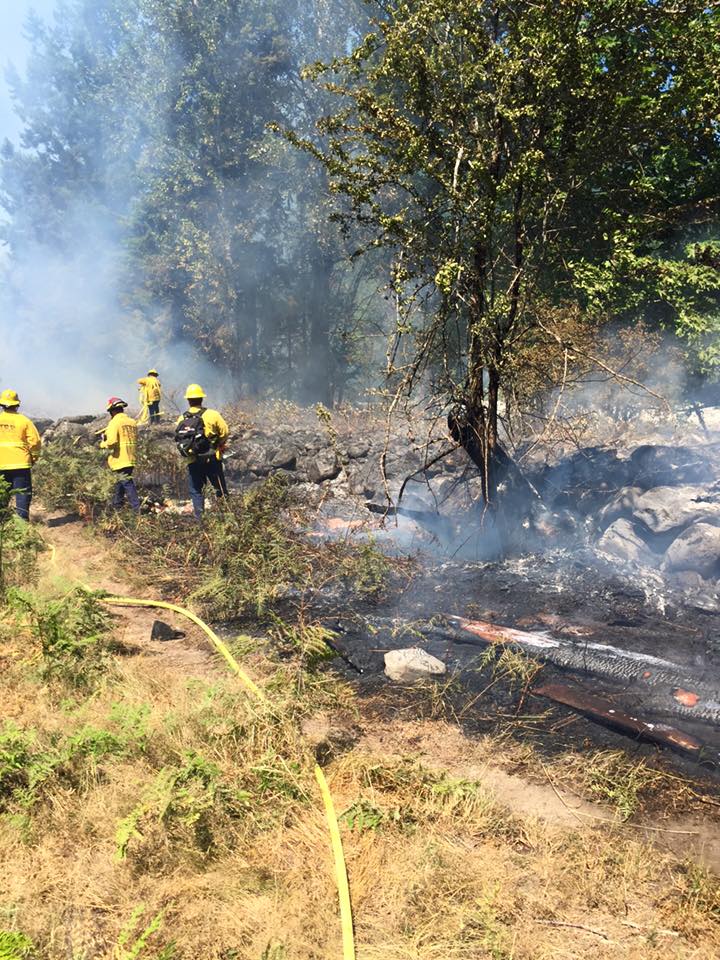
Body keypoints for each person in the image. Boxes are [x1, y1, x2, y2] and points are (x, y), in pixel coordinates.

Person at [174, 384, 229, 519]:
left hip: (193, 459)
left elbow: (180, 438)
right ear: (201, 399)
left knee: (197, 491)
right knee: (220, 489)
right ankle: (226, 517)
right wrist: (220, 443)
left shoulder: (182, 418)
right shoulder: (212, 414)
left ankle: (200, 520)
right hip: (212, 458)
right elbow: (225, 432)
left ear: (188, 400)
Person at [0, 389, 41, 521]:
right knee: (22, 495)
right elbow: (35, 442)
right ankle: (22, 526)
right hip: (21, 464)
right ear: (17, 404)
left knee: (1, 494)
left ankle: (2, 523)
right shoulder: (24, 421)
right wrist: (33, 457)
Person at [100, 397, 140, 512]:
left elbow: (111, 442)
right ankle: (117, 507)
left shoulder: (114, 422)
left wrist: (103, 443)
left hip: (120, 459)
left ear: (112, 411)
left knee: (127, 483)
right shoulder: (132, 422)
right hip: (131, 457)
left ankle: (137, 511)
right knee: (120, 484)